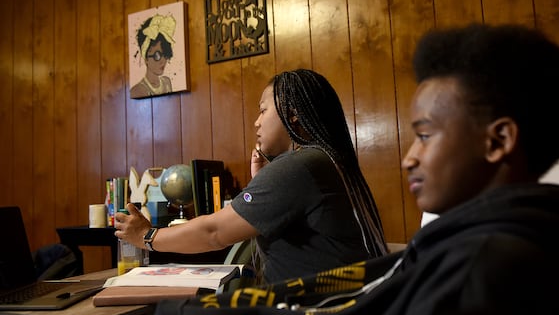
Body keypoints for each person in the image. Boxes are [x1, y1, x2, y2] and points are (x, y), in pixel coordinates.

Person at [139, 23, 559, 315]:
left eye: (425, 134)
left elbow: (217, 232)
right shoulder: (521, 235)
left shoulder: (484, 262)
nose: (408, 158)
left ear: (498, 141)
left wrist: (147, 238)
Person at [116, 69, 388, 283]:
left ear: (292, 113)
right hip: (341, 310)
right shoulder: (326, 160)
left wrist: (148, 236)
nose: (257, 121)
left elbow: (214, 232)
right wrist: (262, 181)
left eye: (263, 109)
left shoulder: (301, 165)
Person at [130, 14, 175, 98]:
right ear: (146, 58)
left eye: (165, 54)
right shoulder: (138, 90)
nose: (163, 61)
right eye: (157, 55)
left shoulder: (167, 82)